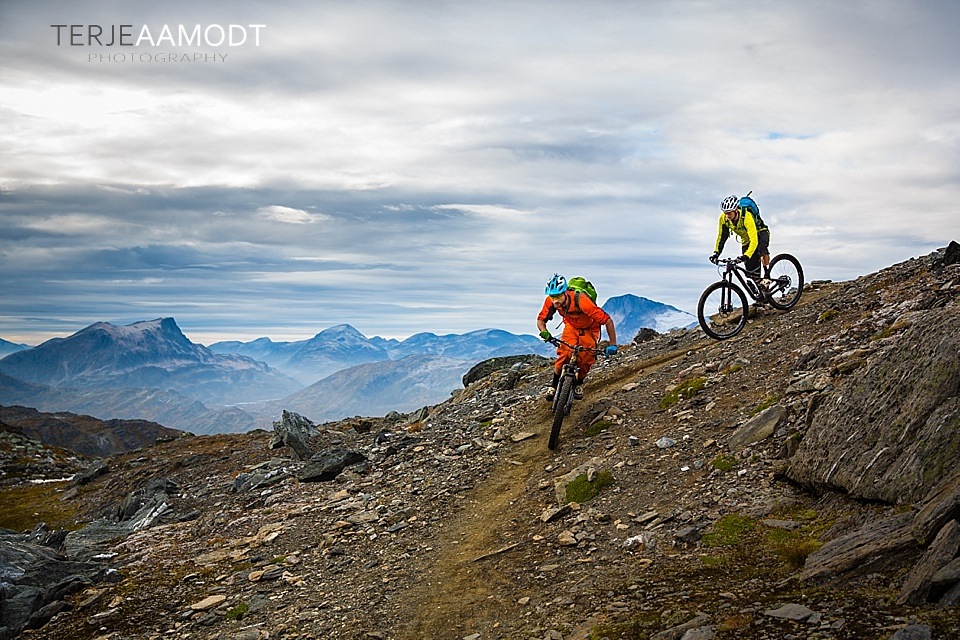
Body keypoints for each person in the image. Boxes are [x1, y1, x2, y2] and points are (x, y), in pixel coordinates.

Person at [536, 274, 618, 401]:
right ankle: (553, 386)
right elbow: (541, 320)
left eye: (558, 296)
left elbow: (607, 321)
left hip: (590, 328)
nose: (555, 301)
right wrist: (544, 332)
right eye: (553, 297)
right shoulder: (550, 302)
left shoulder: (581, 301)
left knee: (587, 358)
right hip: (571, 326)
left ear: (565, 292)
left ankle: (578, 384)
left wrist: (613, 344)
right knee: (564, 353)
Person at [710, 194, 771, 285]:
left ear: (735, 210)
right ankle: (760, 290)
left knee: (762, 249)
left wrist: (746, 255)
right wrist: (716, 253)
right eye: (725, 213)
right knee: (750, 271)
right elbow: (721, 237)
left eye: (729, 213)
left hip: (760, 233)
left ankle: (767, 274)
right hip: (746, 240)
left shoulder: (746, 217)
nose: (727, 216)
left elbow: (754, 240)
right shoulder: (723, 219)